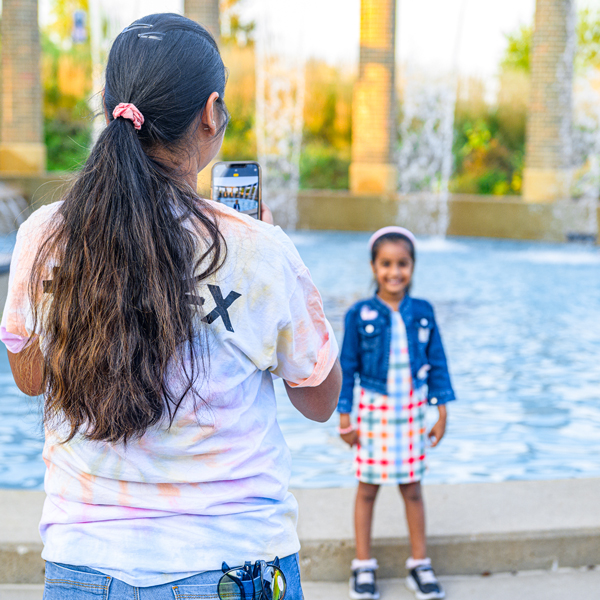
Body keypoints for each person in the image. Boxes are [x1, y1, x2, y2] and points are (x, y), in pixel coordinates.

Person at [1, 13, 341, 599]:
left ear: (109, 104)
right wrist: (257, 251)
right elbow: (319, 399)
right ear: (211, 114)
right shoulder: (257, 251)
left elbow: (31, 379)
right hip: (229, 564)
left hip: (83, 567)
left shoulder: (44, 236)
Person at [337, 227, 455, 600]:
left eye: (402, 264)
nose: (394, 272)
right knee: (368, 490)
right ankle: (363, 566)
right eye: (386, 264)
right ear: (374, 267)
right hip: (372, 412)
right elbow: (348, 366)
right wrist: (345, 416)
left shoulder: (423, 312)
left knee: (413, 490)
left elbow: (437, 362)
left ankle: (420, 564)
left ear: (412, 266)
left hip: (411, 411)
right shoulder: (360, 313)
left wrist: (441, 410)